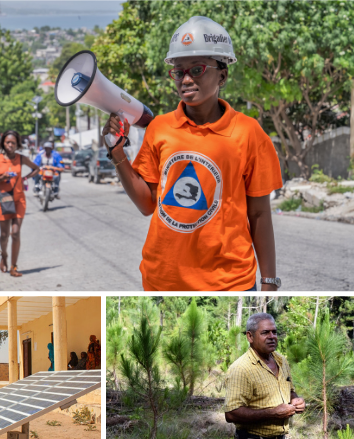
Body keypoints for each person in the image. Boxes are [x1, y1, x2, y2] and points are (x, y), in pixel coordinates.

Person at [104, 16, 282, 291]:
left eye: (197, 70)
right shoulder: (159, 128)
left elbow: (259, 214)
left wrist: (269, 281)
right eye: (178, 71)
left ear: (222, 75)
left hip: (229, 282)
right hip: (163, 278)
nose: (185, 79)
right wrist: (118, 153)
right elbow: (147, 205)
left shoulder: (249, 132)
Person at [223, 313, 305, 438]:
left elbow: (290, 390)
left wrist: (295, 399)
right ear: (250, 336)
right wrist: (272, 413)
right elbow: (231, 414)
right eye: (265, 332)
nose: (272, 337)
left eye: (274, 332)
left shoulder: (281, 361)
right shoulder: (241, 368)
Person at [0, 130, 40, 277]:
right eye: (7, 142)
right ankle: (3, 255)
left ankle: (14, 267)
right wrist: (1, 178)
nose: (10, 145)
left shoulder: (21, 158)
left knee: (15, 233)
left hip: (19, 200)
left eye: (13, 143)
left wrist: (25, 178)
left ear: (17, 145)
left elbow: (37, 169)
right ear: (3, 143)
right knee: (4, 235)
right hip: (4, 200)